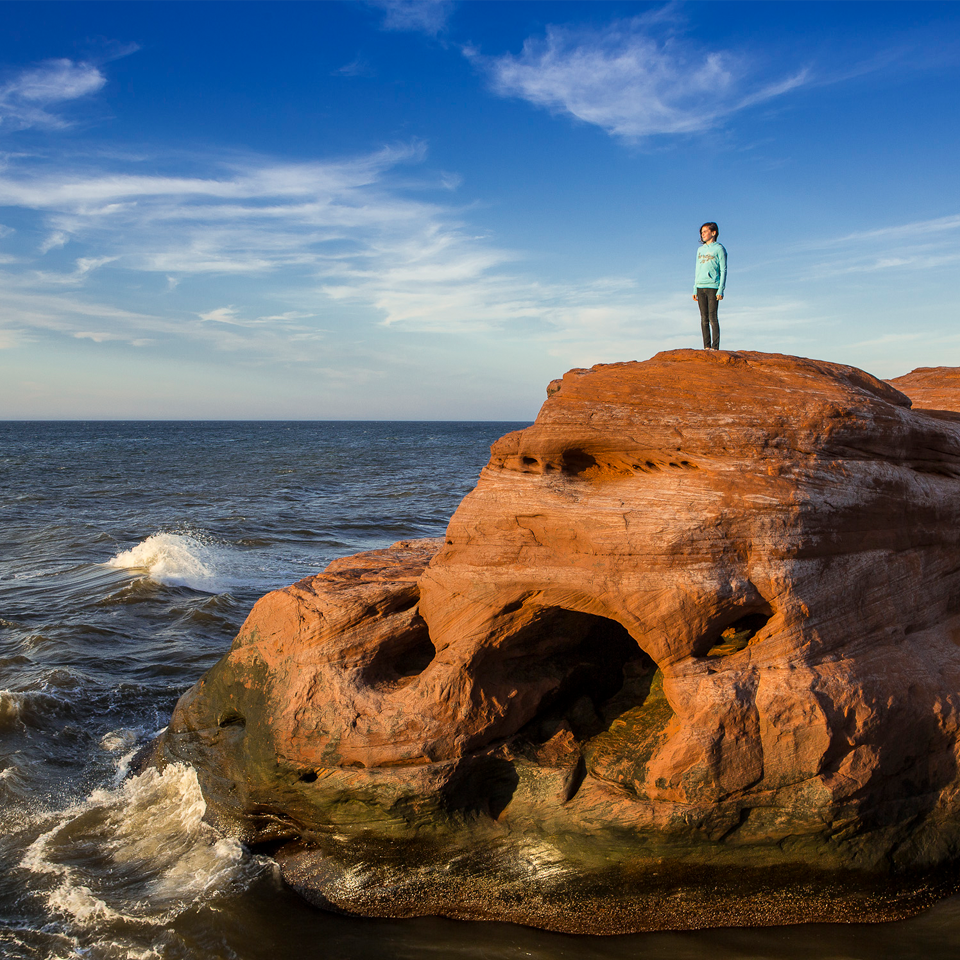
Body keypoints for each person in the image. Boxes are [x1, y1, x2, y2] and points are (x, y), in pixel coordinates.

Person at [692, 222, 726, 350]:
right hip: (700, 286)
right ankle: (706, 347)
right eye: (701, 232)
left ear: (713, 232)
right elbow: (697, 269)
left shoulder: (719, 249)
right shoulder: (700, 250)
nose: (703, 234)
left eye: (705, 231)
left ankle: (715, 347)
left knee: (713, 317)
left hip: (713, 286)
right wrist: (695, 287)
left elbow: (723, 270)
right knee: (703, 318)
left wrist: (721, 289)